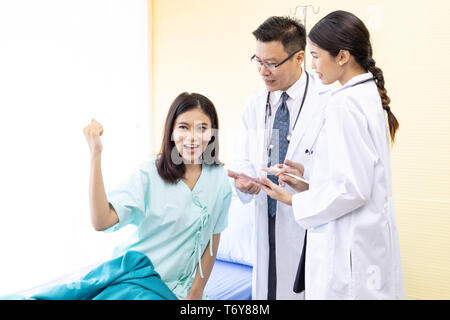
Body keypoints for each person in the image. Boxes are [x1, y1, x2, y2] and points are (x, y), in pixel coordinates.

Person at [2, 92, 232, 300]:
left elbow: (214, 236)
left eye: (202, 128)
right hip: (134, 278)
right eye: (183, 127)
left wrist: (196, 293)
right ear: (171, 131)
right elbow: (101, 221)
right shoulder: (149, 174)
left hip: (179, 290)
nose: (193, 136)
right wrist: (95, 155)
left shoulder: (219, 179)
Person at [259, 11, 405, 299]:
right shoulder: (368, 96)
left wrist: (293, 199)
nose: (313, 67)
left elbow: (351, 190)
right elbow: (357, 177)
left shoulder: (344, 104)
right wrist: (310, 182)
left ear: (342, 56)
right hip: (366, 246)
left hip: (348, 254)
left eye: (315, 56)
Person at [228, 16, 331, 300]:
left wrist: (303, 181)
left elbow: (337, 175)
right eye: (258, 61)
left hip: (309, 222)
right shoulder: (254, 104)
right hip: (265, 218)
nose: (263, 71)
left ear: (299, 57)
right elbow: (243, 159)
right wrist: (244, 182)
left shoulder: (328, 102)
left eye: (272, 63)